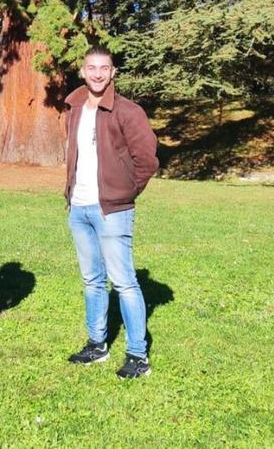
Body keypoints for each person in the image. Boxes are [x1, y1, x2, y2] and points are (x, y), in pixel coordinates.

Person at [63, 44, 160, 379]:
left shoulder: (128, 111)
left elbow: (147, 160)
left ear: (113, 71)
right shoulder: (73, 107)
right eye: (92, 67)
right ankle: (97, 344)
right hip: (79, 207)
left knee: (124, 282)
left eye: (104, 67)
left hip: (112, 209)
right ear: (82, 71)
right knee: (92, 280)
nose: (98, 74)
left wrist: (125, 192)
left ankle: (137, 355)